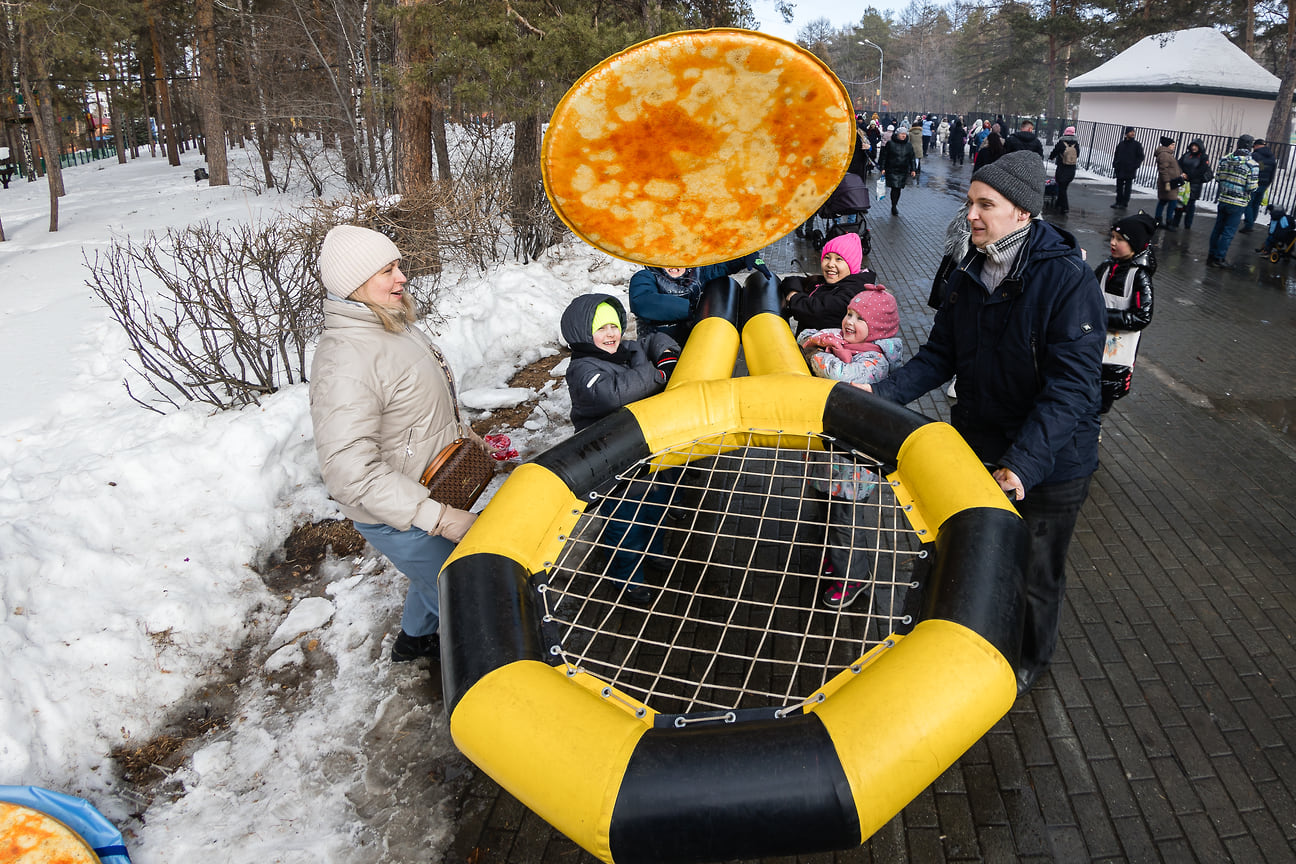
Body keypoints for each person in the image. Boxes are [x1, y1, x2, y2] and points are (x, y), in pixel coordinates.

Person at [863, 151, 1105, 696]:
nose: (970, 214)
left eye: (984, 204)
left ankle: (1027, 659)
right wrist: (876, 397)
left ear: (1022, 213)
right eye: (970, 201)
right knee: (956, 550)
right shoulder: (968, 269)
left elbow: (1071, 390)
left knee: (1035, 573)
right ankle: (942, 641)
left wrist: (1022, 464)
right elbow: (937, 356)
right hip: (977, 445)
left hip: (1050, 464)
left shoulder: (1066, 282)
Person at [309, 225, 481, 664]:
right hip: (400, 515)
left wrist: (466, 441)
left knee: (436, 578)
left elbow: (415, 412)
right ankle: (476, 676)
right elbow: (350, 471)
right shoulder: (348, 358)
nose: (402, 277)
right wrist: (437, 517)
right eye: (387, 270)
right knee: (467, 594)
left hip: (429, 490)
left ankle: (413, 642)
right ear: (355, 285)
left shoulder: (390, 324)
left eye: (398, 266)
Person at [560, 294, 679, 604]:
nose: (612, 334)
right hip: (612, 458)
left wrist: (665, 353)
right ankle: (627, 575)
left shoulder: (623, 351)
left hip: (646, 447)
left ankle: (654, 549)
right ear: (583, 334)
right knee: (625, 521)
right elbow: (612, 394)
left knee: (656, 506)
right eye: (602, 329)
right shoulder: (582, 369)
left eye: (615, 326)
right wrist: (657, 374)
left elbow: (652, 340)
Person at [796, 285, 905, 612]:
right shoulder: (845, 341)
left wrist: (817, 354)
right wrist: (819, 340)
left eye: (860, 319)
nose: (848, 322)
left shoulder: (875, 360)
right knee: (829, 517)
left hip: (854, 462)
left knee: (847, 523)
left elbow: (842, 374)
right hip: (831, 453)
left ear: (880, 328)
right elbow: (809, 334)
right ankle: (838, 562)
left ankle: (853, 577)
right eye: (849, 314)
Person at [1095, 212, 1156, 414]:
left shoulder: (1140, 277)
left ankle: (1093, 433)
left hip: (1115, 356)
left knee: (1101, 403)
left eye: (1119, 240)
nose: (1112, 243)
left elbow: (1142, 316)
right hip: (1091, 346)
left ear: (1135, 244)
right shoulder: (1106, 267)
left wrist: (1102, 316)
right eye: (1112, 237)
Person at [628, 256, 761, 345]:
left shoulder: (699, 272)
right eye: (666, 259)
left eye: (679, 257)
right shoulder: (645, 276)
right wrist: (690, 309)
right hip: (658, 347)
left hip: (694, 343)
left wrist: (749, 257)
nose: (673, 263)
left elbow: (725, 263)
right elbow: (643, 302)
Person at [784, 232, 878, 332]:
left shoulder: (854, 295)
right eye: (827, 257)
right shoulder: (826, 282)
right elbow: (792, 280)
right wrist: (793, 291)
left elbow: (816, 312)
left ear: (853, 265)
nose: (830, 264)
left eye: (839, 259)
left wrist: (794, 297)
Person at [1208, 134, 1260, 269]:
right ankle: (1219, 258)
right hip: (1238, 203)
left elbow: (1218, 178)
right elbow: (1251, 187)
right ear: (1250, 146)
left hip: (1224, 199)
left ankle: (1211, 255)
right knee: (1228, 232)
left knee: (1217, 229)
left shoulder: (1225, 159)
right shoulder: (1251, 164)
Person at [1171, 139, 1213, 229]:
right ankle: (1175, 222)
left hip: (1194, 185)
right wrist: (1182, 173)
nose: (1194, 148)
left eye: (1196, 146)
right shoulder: (1186, 155)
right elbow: (1178, 164)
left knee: (1190, 205)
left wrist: (1189, 176)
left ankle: (1187, 225)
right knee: (1179, 204)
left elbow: (1202, 170)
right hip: (1183, 183)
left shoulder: (1203, 157)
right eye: (1192, 146)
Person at [878, 126, 918, 216]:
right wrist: (882, 168)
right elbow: (884, 156)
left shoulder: (908, 145)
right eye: (902, 134)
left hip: (902, 170)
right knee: (894, 187)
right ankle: (894, 205)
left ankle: (894, 204)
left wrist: (913, 169)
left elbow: (912, 158)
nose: (903, 136)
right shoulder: (890, 144)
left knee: (898, 188)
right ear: (897, 135)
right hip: (892, 169)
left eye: (905, 134)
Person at [1241, 137, 1277, 233]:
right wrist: (1268, 183)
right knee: (1256, 204)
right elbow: (1273, 172)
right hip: (1264, 184)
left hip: (1255, 183)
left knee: (1248, 203)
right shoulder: (1272, 156)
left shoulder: (1256, 155)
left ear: (1256, 146)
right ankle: (1251, 221)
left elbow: (1255, 169)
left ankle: (1249, 224)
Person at [1153, 137, 1187, 229]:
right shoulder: (1164, 155)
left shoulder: (1167, 154)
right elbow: (1163, 170)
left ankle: (1158, 220)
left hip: (1171, 182)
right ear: (1167, 145)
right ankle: (1168, 222)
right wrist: (1167, 182)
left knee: (1163, 201)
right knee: (1172, 202)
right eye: (1172, 145)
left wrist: (1180, 174)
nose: (1173, 147)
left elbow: (1172, 168)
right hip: (1169, 183)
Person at [1048, 126, 1081, 214]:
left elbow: (1054, 152)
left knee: (1061, 188)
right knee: (1064, 187)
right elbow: (1077, 155)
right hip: (1071, 169)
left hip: (1062, 168)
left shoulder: (1061, 143)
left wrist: (1051, 157)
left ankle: (1065, 207)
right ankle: (1059, 203)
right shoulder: (1076, 144)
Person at [1112, 127, 1144, 209]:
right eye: (1130, 132)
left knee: (1127, 188)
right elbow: (1116, 154)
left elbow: (1141, 157)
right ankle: (1118, 202)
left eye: (1133, 132)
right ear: (1126, 133)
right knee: (1119, 187)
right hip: (1120, 168)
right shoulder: (1121, 144)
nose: (1132, 133)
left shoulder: (1137, 145)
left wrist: (1135, 166)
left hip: (1130, 169)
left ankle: (1124, 203)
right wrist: (1115, 164)